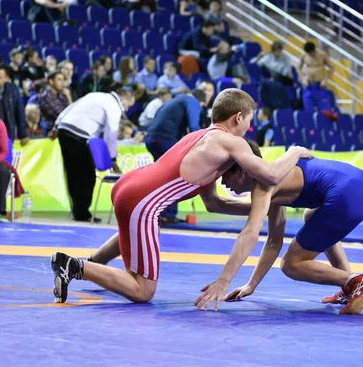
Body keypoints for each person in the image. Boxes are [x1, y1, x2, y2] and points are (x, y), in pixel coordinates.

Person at [50, 88, 313, 304]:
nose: (249, 127)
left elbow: (213, 203)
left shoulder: (199, 137)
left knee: (147, 229)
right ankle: (75, 266)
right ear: (237, 117)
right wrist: (295, 152)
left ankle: (97, 263)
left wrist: (257, 209)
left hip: (130, 187)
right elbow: (271, 175)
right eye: (249, 120)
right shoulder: (231, 142)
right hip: (142, 201)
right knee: (143, 290)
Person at [195, 140, 363, 314]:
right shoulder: (274, 177)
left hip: (347, 194)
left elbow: (250, 232)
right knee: (311, 215)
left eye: (224, 175)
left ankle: (356, 281)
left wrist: (223, 281)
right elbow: (273, 242)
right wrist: (251, 285)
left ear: (241, 171)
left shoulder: (264, 185)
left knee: (291, 264)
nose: (223, 182)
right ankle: (350, 287)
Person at [49, 86, 136, 222]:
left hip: (64, 130)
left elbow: (70, 108)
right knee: (87, 175)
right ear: (124, 98)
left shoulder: (96, 95)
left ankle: (78, 211)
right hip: (79, 134)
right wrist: (112, 158)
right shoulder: (114, 105)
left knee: (72, 174)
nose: (126, 109)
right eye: (128, 105)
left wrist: (56, 126)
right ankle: (82, 213)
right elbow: (111, 134)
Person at [144, 89, 206, 224]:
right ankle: (169, 214)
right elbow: (194, 126)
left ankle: (156, 213)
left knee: (161, 178)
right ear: (202, 102)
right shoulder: (192, 101)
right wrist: (203, 145)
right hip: (165, 139)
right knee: (175, 176)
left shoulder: (172, 101)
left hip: (151, 139)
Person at [298, 42, 335, 112]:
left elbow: (332, 68)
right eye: (308, 53)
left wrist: (325, 79)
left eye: (311, 53)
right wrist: (303, 78)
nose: (310, 55)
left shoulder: (322, 55)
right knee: (308, 109)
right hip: (309, 85)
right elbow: (299, 68)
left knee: (324, 110)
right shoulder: (304, 55)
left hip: (320, 85)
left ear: (314, 50)